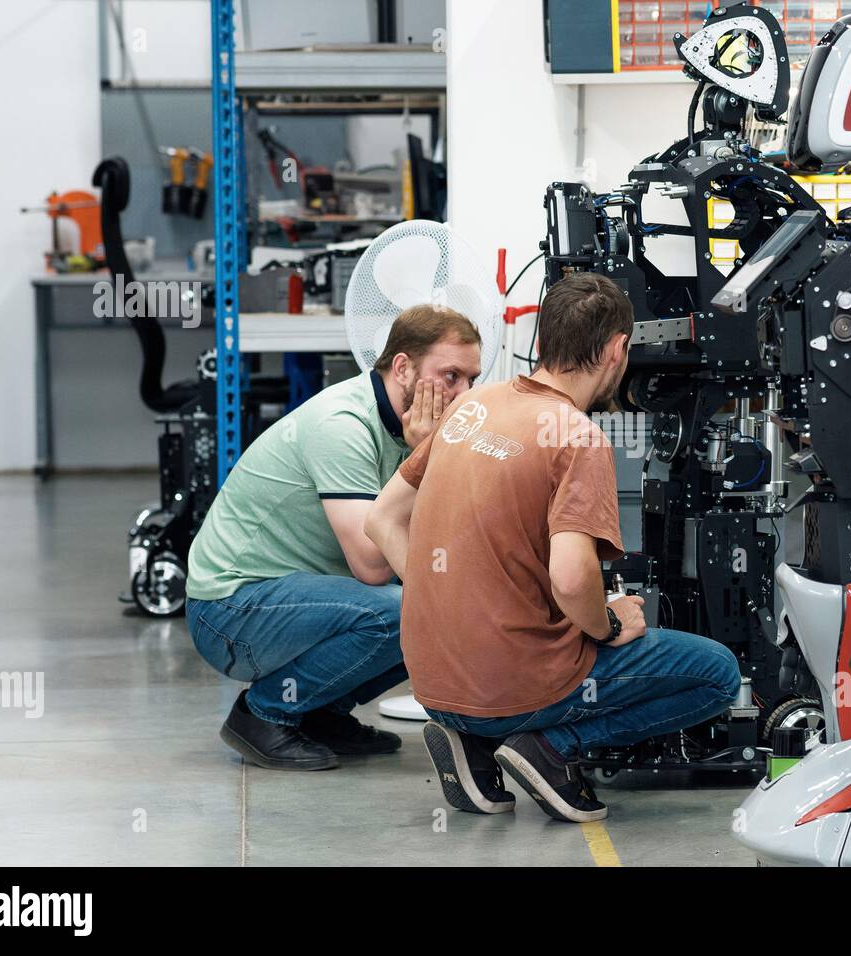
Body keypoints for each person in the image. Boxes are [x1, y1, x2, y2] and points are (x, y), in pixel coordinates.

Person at [365, 273, 741, 822]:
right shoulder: (577, 437)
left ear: (544, 340)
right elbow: (569, 579)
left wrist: (444, 599)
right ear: (617, 349)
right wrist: (607, 623)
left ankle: (472, 743)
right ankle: (550, 748)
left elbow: (382, 519)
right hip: (510, 685)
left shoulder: (472, 407)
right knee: (717, 674)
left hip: (432, 679)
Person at [185, 304, 482, 771]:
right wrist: (427, 457)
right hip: (228, 611)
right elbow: (373, 564)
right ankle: (262, 714)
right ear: (402, 367)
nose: (463, 394)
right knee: (409, 608)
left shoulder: (410, 427)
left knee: (447, 602)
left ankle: (318, 713)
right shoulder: (343, 425)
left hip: (290, 596)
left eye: (471, 380)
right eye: (450, 376)